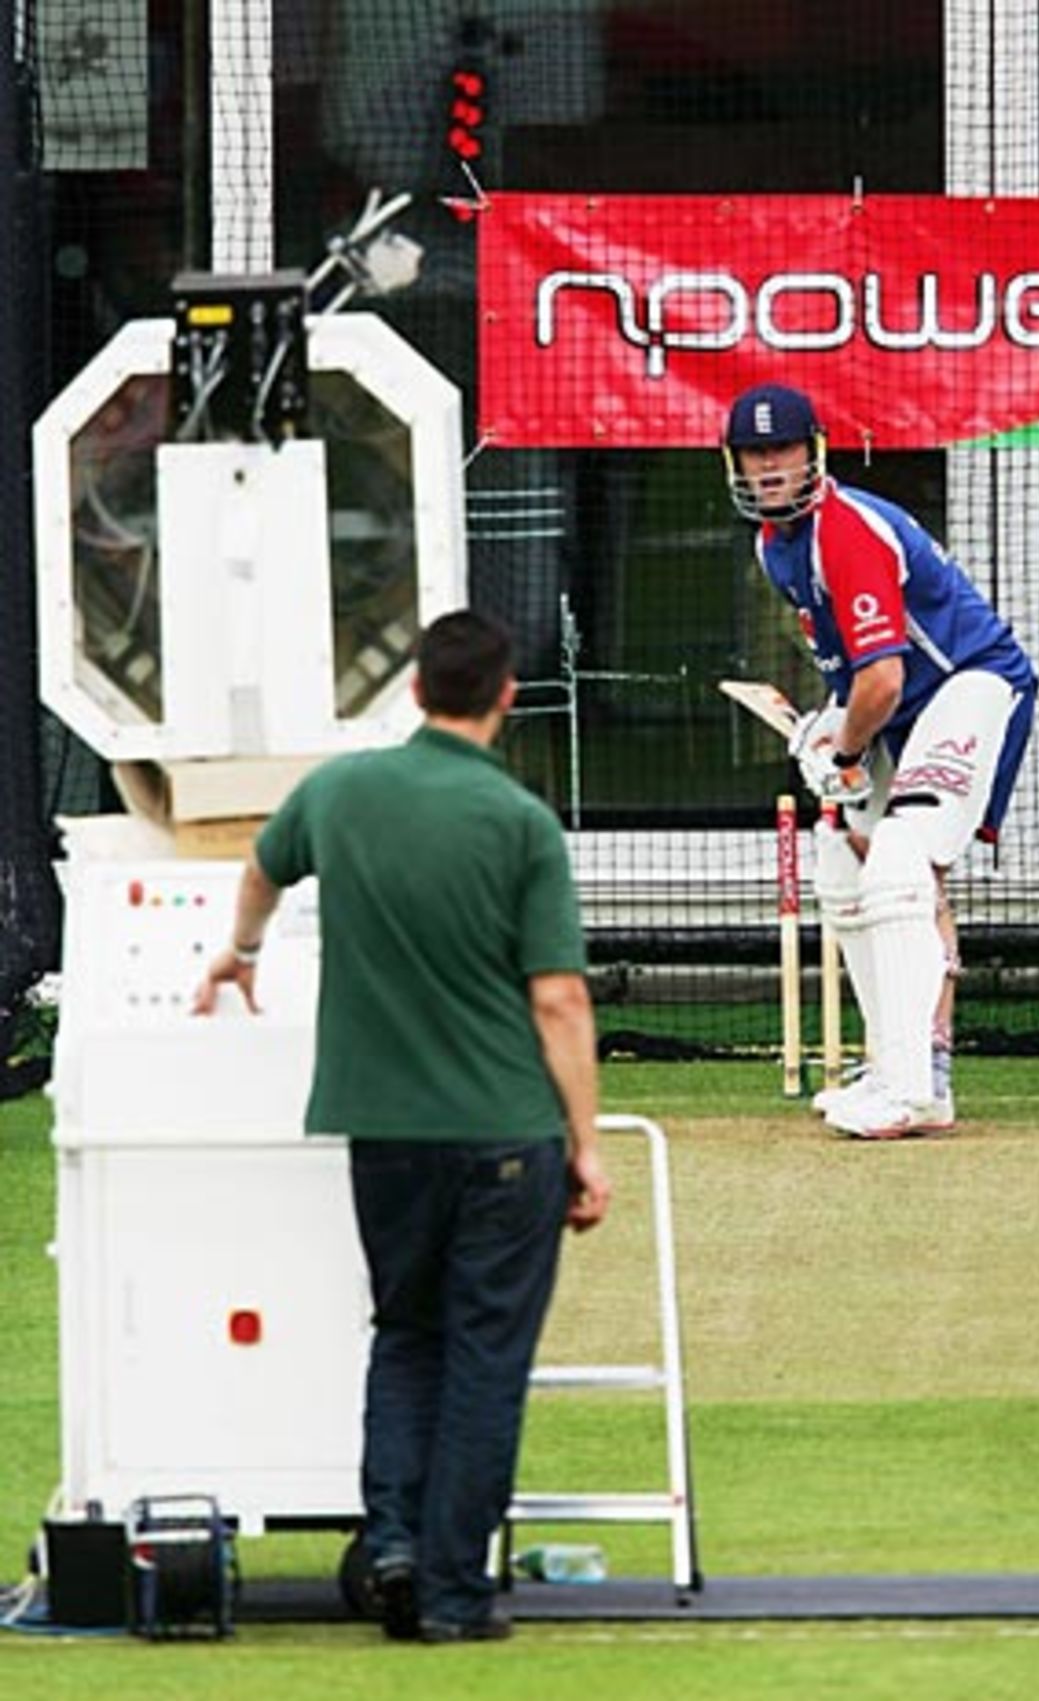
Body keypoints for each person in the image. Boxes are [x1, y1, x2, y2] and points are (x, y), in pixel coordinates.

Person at [194, 609, 611, 1643]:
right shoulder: (519, 824)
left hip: (381, 1129)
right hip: (504, 1134)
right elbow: (556, 999)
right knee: (483, 1361)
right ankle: (452, 1593)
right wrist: (586, 1145)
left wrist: (236, 954)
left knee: (406, 1338)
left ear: (415, 690)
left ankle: (388, 1548)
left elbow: (260, 870)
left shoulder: (339, 791)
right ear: (506, 697)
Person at [722, 383, 1038, 1140]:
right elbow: (856, 674)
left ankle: (910, 1085)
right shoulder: (775, 546)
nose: (769, 468)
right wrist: (827, 734)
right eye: (754, 453)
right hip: (904, 709)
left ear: (814, 451)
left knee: (903, 855)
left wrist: (850, 748)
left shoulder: (847, 530)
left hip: (971, 682)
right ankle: (909, 1066)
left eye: (783, 450)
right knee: (846, 856)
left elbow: (886, 677)